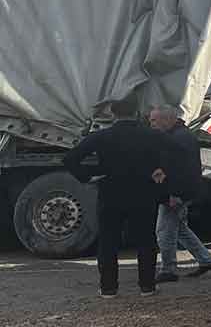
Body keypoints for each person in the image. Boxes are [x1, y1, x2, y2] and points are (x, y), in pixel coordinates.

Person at [63, 99, 178, 298]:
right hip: (144, 194)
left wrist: (89, 175)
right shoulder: (150, 135)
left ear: (113, 114)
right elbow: (177, 152)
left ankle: (108, 288)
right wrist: (161, 169)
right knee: (145, 241)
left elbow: (70, 159)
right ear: (136, 113)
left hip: (111, 194)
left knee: (108, 241)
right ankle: (147, 286)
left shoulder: (102, 136)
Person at [149, 105, 211, 282]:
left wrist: (174, 194)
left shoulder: (178, 139)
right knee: (179, 228)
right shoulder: (180, 136)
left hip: (176, 193)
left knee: (164, 230)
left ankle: (169, 270)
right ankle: (206, 260)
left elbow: (181, 171)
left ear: (167, 120)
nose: (151, 124)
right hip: (182, 191)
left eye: (154, 120)